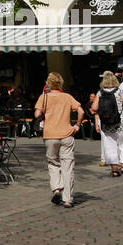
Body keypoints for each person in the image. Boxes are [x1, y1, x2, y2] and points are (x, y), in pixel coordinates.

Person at [33, 72, 84, 208]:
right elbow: (81, 111)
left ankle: (56, 189)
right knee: (67, 167)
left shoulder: (44, 97)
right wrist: (77, 125)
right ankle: (68, 199)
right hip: (66, 134)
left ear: (48, 83)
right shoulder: (67, 97)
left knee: (53, 163)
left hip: (50, 135)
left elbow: (37, 114)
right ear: (60, 83)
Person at [93, 70, 123, 177]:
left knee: (109, 145)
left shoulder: (100, 93)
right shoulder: (119, 91)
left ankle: (115, 170)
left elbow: (94, 108)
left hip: (107, 123)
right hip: (121, 122)